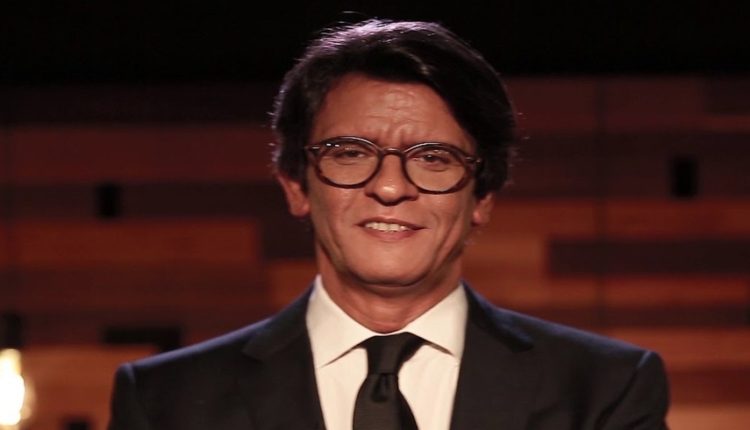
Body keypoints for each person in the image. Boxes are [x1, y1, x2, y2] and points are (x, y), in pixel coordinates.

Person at [108, 19, 669, 430]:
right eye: (351, 153)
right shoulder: (165, 402)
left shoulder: (605, 390)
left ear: (482, 197)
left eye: (433, 158)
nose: (392, 187)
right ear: (296, 185)